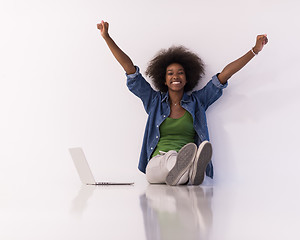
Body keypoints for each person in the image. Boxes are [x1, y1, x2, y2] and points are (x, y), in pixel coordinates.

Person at [97, 20, 268, 186]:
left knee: (178, 167)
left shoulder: (198, 102)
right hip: (158, 162)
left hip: (183, 160)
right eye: (170, 73)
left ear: (187, 79)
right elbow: (130, 70)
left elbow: (224, 75)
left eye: (180, 73)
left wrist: (254, 50)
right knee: (164, 166)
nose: (175, 76)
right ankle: (189, 170)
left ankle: (186, 170)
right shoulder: (154, 101)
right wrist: (107, 37)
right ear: (164, 80)